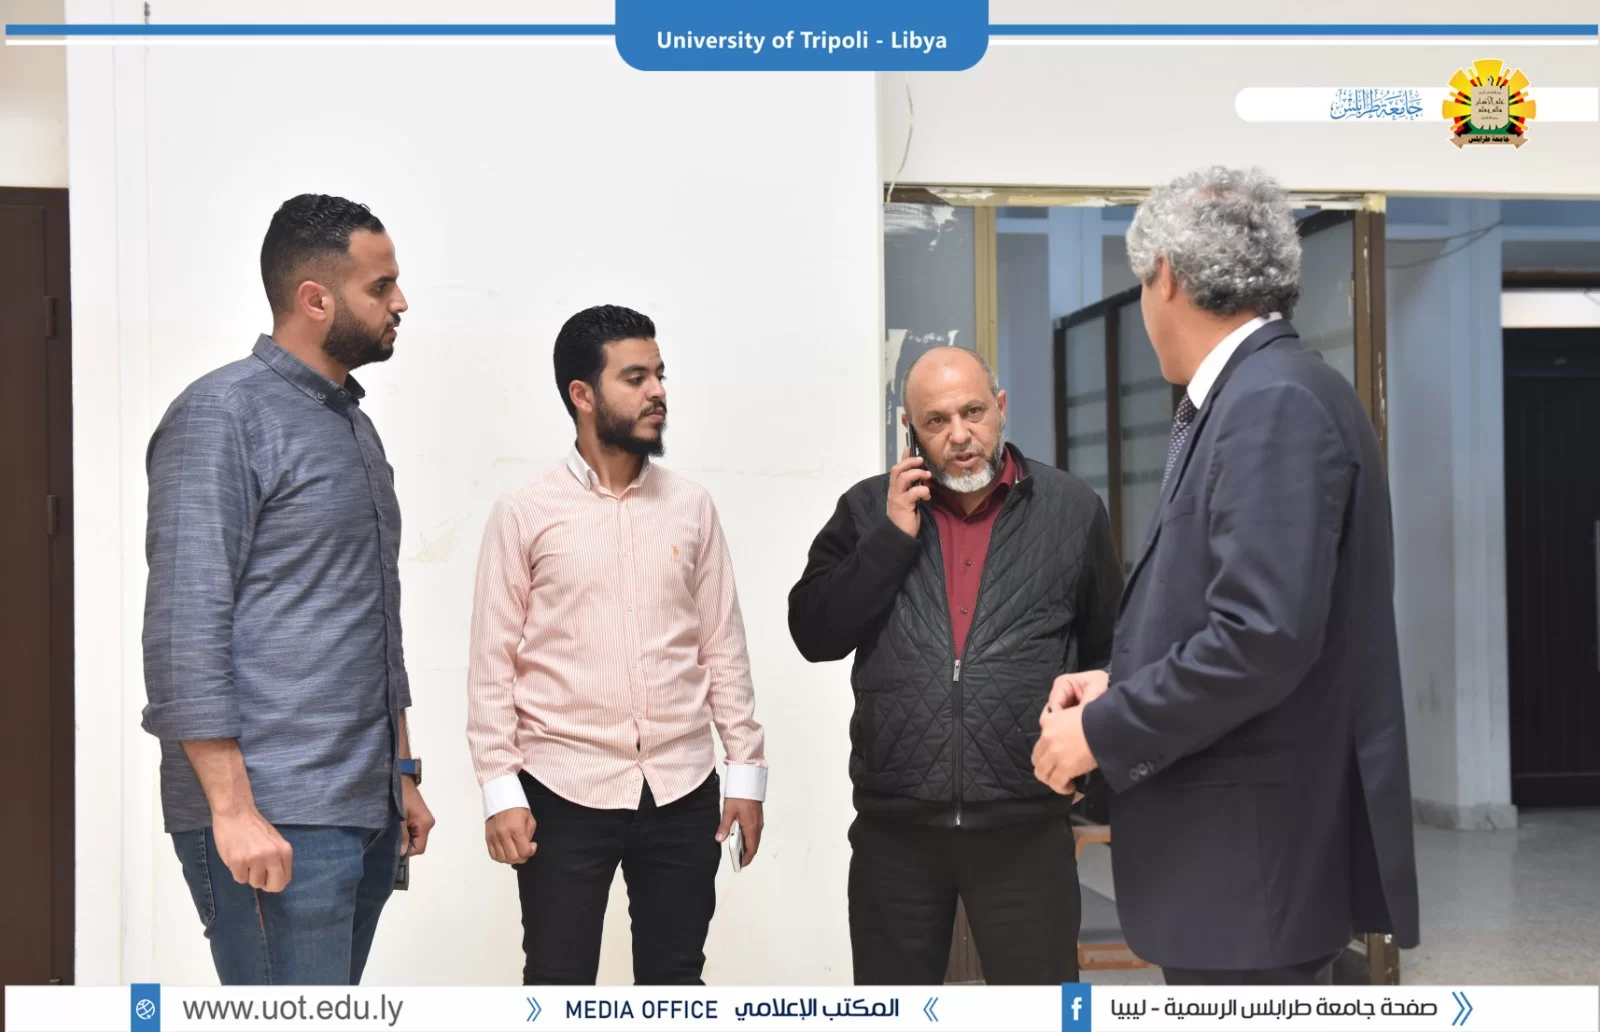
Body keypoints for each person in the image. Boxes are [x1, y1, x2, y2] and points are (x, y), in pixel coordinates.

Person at [1033, 166, 1421, 985]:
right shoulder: (1261, 391)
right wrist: (1120, 680)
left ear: (1166, 274)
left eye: (1143, 284)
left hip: (1250, 877)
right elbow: (1246, 619)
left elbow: (1260, 639)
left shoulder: (1270, 401)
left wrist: (1101, 730)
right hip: (1246, 871)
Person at [141, 194, 434, 985]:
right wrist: (233, 811)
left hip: (362, 806)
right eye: (381, 286)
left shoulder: (352, 426)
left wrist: (401, 774)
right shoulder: (221, 415)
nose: (401, 302)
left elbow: (372, 618)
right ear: (315, 299)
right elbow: (182, 629)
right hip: (273, 813)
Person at [787, 346, 1123, 985]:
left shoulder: (1071, 508)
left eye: (973, 412)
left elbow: (1110, 652)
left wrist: (1089, 769)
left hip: (1027, 828)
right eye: (937, 421)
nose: (960, 435)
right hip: (895, 834)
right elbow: (814, 633)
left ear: (1001, 408)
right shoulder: (867, 509)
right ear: (910, 430)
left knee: (1045, 1015)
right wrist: (891, 537)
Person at [466, 304, 768, 986]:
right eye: (635, 378)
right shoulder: (524, 511)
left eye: (659, 375)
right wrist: (499, 789)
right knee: (557, 984)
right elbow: (491, 666)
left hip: (682, 786)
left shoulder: (691, 507)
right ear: (583, 394)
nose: (658, 392)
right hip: (561, 787)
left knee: (676, 983)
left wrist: (745, 775)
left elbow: (723, 648)